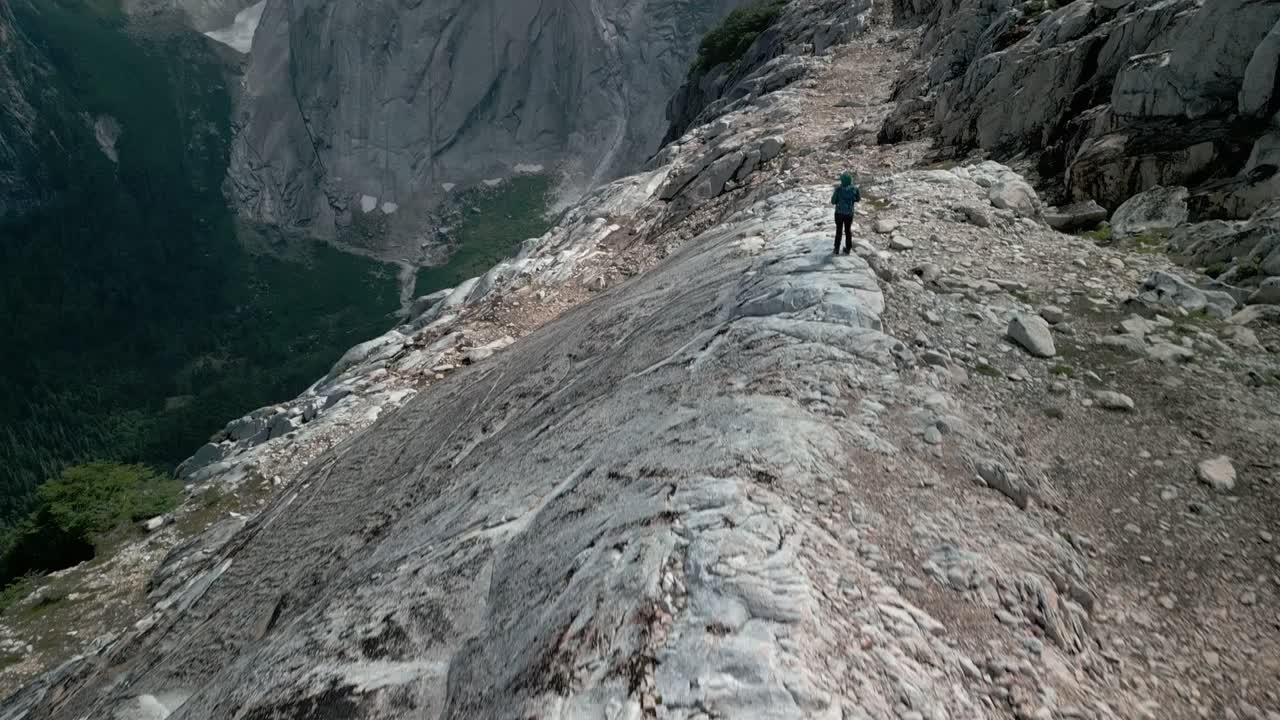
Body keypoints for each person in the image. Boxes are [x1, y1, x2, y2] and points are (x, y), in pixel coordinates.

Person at [830, 172, 860, 255]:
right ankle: (848, 248)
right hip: (849, 213)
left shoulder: (838, 189)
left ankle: (836, 249)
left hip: (839, 213)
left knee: (838, 231)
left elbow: (833, 201)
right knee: (848, 231)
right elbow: (858, 199)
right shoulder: (855, 189)